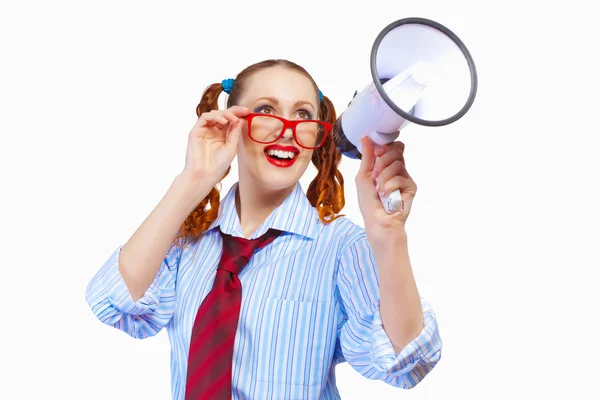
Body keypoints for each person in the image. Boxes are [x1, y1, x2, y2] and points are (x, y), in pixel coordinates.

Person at [85, 59, 442, 400]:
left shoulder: (340, 246)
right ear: (232, 123)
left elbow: (406, 361)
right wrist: (193, 179)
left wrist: (390, 235)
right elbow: (115, 302)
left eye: (302, 114)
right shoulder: (187, 245)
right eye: (266, 110)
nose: (286, 131)